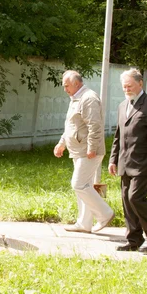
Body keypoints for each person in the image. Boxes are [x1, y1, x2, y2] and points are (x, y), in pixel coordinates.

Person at [108, 68, 147, 253]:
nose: (126, 89)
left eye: (130, 85)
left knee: (136, 197)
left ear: (140, 83)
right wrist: (113, 159)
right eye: (124, 86)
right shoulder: (122, 106)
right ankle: (133, 239)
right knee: (126, 200)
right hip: (125, 163)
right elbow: (118, 135)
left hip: (144, 162)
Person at [54, 70, 114, 234]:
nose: (65, 89)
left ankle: (105, 214)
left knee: (78, 184)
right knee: (84, 185)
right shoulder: (75, 98)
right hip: (78, 150)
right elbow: (72, 125)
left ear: (76, 83)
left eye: (66, 85)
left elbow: (95, 125)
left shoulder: (89, 98)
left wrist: (92, 148)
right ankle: (84, 223)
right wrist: (62, 144)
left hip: (88, 151)